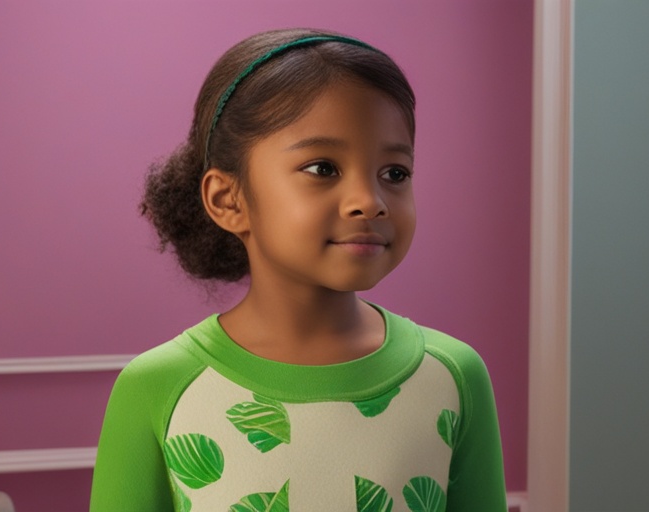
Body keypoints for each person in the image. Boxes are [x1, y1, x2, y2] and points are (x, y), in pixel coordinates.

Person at [91, 28, 506, 511]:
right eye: (323, 168)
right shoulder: (157, 386)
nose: (369, 202)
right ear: (229, 200)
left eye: (394, 174)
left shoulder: (453, 377)